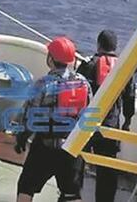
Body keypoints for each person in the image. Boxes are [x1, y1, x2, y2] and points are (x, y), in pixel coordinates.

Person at [14, 36, 92, 202]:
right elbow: (88, 115)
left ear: (51, 58)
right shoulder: (83, 83)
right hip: (71, 148)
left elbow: (29, 116)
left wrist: (21, 139)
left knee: (26, 187)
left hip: (44, 147)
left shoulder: (43, 84)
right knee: (71, 194)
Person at [77, 30, 136, 202]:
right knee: (107, 169)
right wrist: (127, 122)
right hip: (110, 128)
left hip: (87, 126)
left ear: (98, 44)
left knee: (78, 162)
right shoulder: (124, 67)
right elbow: (130, 98)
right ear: (115, 47)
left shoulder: (88, 64)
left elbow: (76, 90)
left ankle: (73, 196)